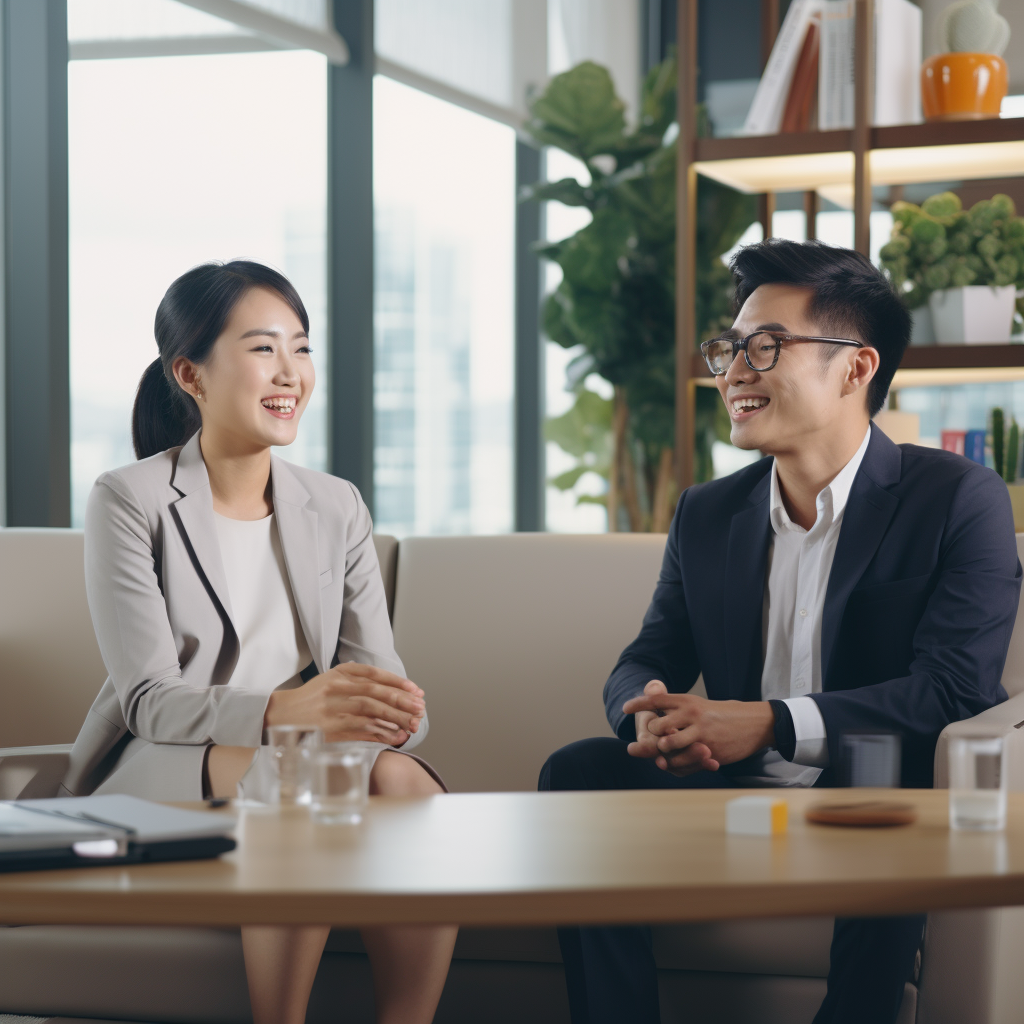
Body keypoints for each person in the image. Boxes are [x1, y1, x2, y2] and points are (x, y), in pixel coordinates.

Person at [539, 238, 1022, 1024]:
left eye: (766, 347)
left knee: (888, 783)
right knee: (577, 773)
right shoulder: (707, 511)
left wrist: (765, 724)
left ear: (856, 368)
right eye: (729, 349)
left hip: (863, 798)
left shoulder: (958, 497)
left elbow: (955, 688)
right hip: (730, 798)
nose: (733, 372)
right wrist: (652, 710)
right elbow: (649, 654)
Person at [61, 261, 456, 1024]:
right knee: (298, 778)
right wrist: (290, 712)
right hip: (161, 760)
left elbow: (380, 681)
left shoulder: (334, 503)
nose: (290, 373)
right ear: (191, 374)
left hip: (296, 752)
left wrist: (389, 714)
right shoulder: (129, 499)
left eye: (302, 348)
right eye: (263, 348)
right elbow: (148, 701)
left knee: (408, 787)